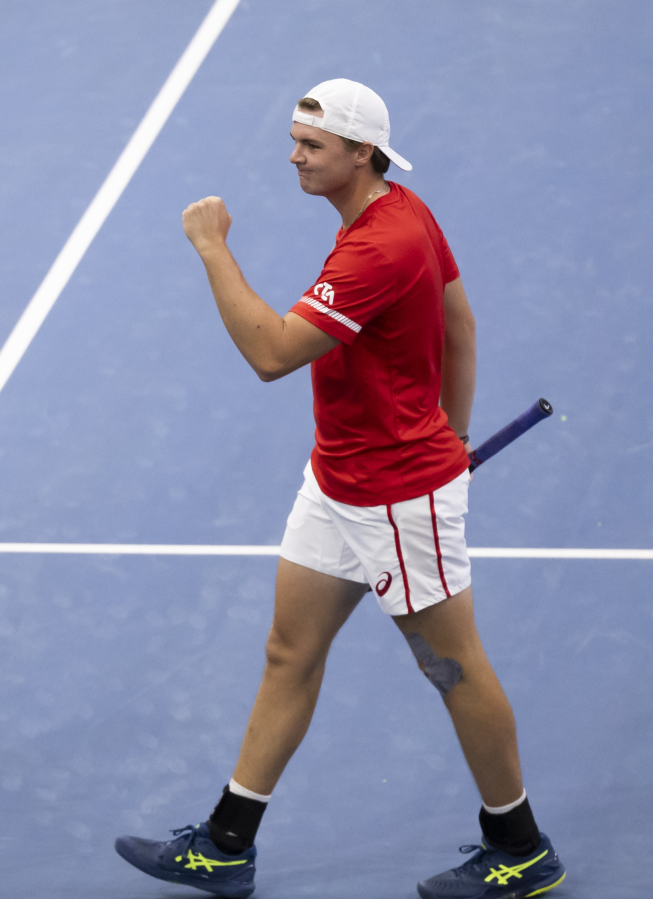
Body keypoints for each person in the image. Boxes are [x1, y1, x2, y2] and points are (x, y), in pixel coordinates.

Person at [112, 79, 565, 899]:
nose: (294, 156)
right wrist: (452, 435)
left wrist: (214, 249)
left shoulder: (381, 246)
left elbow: (273, 351)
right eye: (295, 140)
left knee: (453, 668)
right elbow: (461, 324)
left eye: (311, 146)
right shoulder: (402, 212)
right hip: (339, 481)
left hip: (394, 500)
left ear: (362, 154)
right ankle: (226, 843)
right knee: (289, 651)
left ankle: (522, 846)